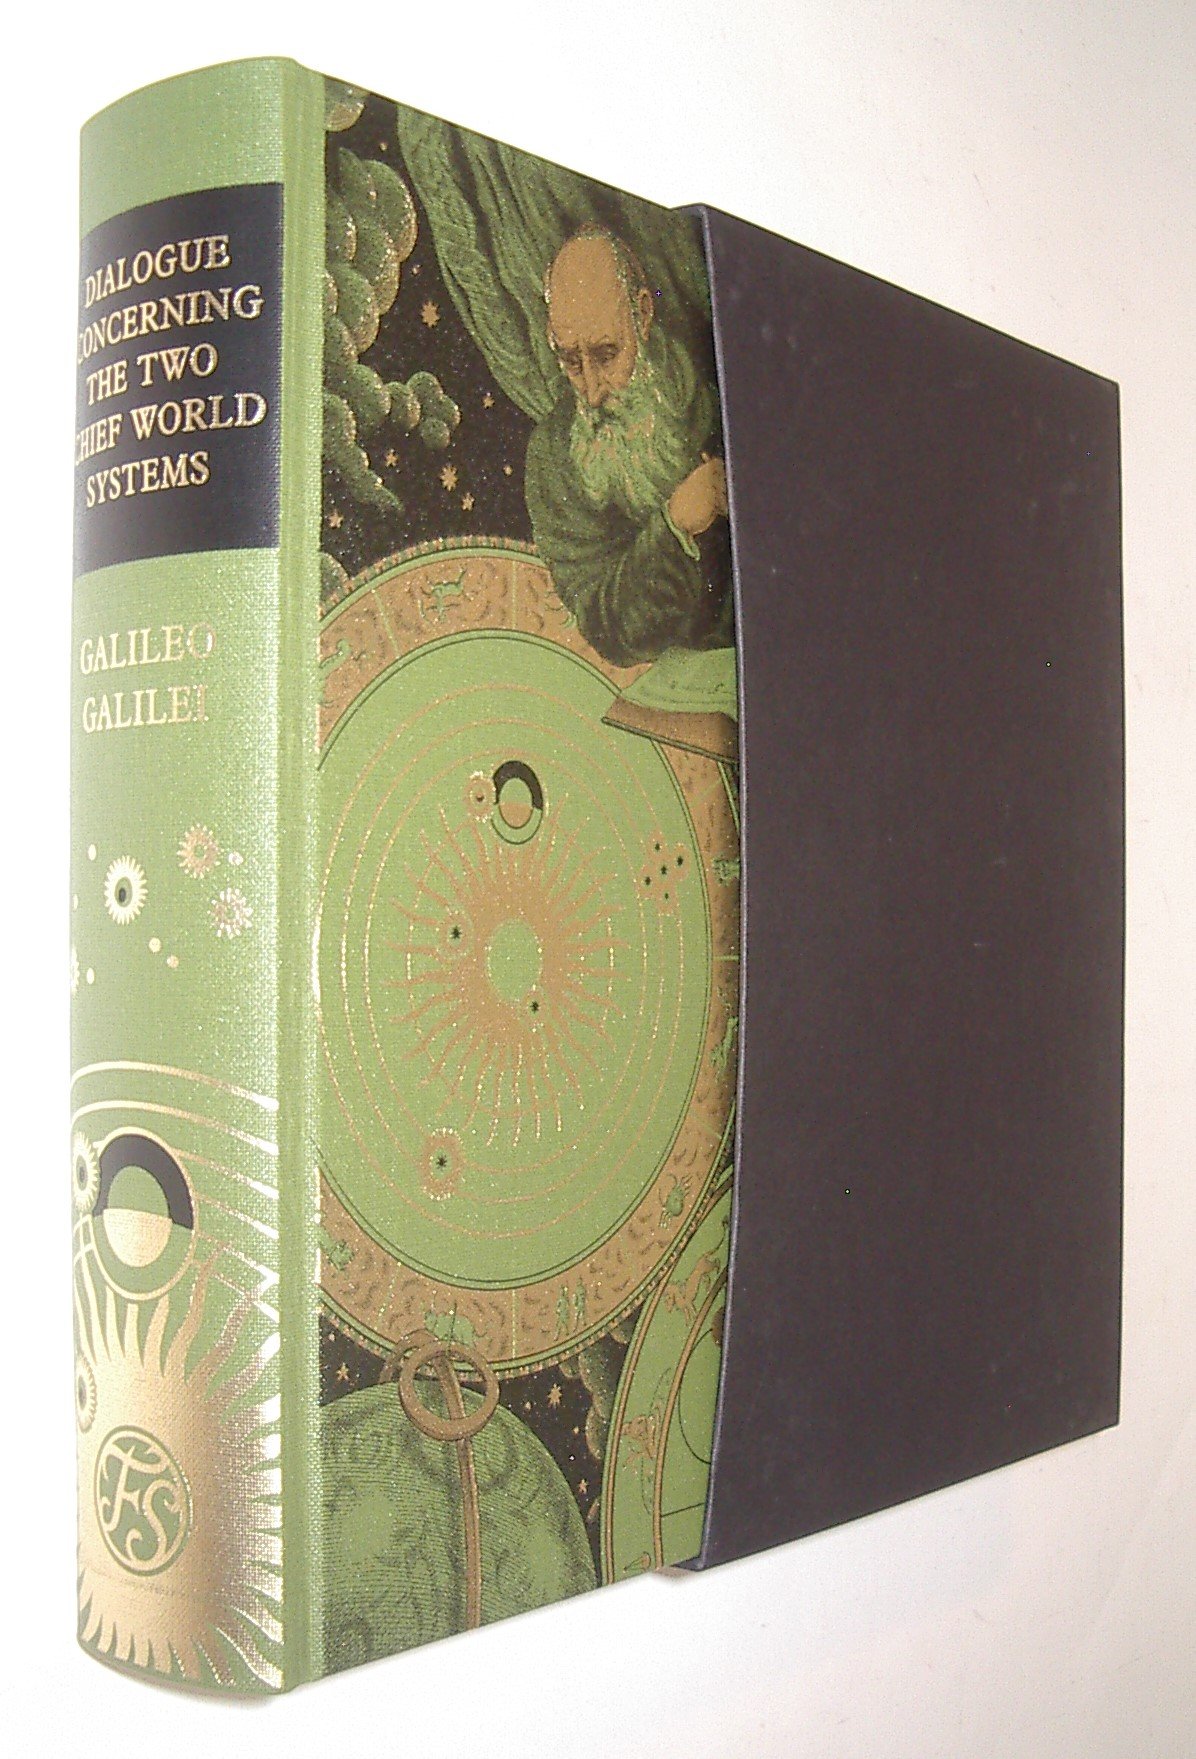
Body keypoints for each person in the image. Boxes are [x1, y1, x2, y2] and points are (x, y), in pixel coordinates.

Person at [523, 225, 734, 668]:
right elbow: (606, 626)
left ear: (642, 314)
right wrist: (675, 526)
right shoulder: (552, 457)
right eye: (571, 361)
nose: (592, 390)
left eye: (606, 355)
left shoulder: (716, 388)